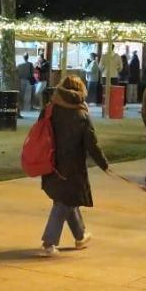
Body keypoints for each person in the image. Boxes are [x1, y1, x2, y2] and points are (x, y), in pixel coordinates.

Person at [39, 75, 109, 257]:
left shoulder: (50, 108)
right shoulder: (81, 114)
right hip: (72, 166)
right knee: (63, 201)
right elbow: (91, 143)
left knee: (66, 199)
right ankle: (49, 242)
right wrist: (104, 165)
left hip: (50, 161)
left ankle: (80, 235)